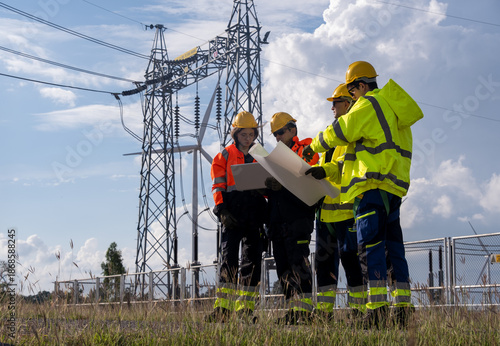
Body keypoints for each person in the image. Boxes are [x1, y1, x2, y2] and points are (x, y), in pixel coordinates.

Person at [303, 61, 423, 328]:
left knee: (370, 248)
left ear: (360, 85)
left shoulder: (369, 104)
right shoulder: (392, 108)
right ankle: (403, 309)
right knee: (394, 248)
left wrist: (313, 146)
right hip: (393, 187)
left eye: (351, 91)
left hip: (371, 185)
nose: (351, 97)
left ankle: (377, 310)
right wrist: (326, 169)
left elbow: (341, 130)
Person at [305, 84, 366, 321]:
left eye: (336, 102)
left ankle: (358, 310)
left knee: (351, 262)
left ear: (348, 103)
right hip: (325, 213)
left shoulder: (353, 134)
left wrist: (323, 170)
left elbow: (343, 167)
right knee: (324, 266)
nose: (332, 107)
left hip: (346, 210)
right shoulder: (330, 134)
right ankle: (323, 313)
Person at [206, 111, 268, 323]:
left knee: (252, 262)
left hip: (255, 212)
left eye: (251, 134)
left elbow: (268, 186)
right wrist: (221, 210)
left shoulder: (262, 155)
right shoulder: (223, 155)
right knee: (229, 260)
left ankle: (245, 310)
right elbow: (217, 185)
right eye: (244, 134)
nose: (248, 138)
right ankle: (223, 309)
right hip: (232, 212)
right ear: (236, 133)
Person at [265, 112, 319, 325]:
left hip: (298, 219)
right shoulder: (274, 158)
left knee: (299, 264)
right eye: (275, 135)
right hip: (278, 221)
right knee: (283, 267)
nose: (277, 138)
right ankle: (292, 311)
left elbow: (305, 179)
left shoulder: (306, 148)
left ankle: (305, 313)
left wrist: (282, 185)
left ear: (292, 130)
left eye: (280, 133)